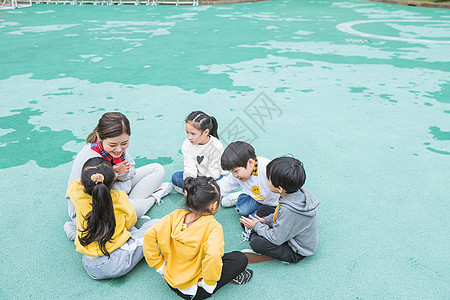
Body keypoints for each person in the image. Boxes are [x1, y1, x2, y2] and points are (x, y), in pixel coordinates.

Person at [64, 112, 172, 240]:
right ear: (99, 136)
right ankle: (154, 198)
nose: (119, 150)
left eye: (125, 143)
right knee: (129, 208)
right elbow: (86, 193)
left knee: (157, 169)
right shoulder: (89, 157)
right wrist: (113, 175)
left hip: (119, 189)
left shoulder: (116, 147)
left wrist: (121, 173)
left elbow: (132, 170)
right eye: (113, 145)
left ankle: (132, 207)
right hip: (97, 205)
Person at [144, 176, 253, 299]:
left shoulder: (175, 215)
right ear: (213, 205)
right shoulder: (213, 227)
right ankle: (217, 281)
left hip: (171, 279)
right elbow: (212, 256)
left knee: (214, 255)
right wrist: (208, 285)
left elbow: (149, 234)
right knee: (240, 258)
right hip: (195, 290)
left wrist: (160, 267)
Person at [67, 157, 159, 279]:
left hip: (88, 260)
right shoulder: (120, 198)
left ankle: (73, 231)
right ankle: (155, 198)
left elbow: (74, 184)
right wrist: (113, 172)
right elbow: (130, 223)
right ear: (114, 179)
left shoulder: (77, 196)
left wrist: (92, 177)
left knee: (91, 224)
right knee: (158, 227)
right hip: (114, 263)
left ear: (84, 182)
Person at [240, 157, 319, 264]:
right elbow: (281, 216)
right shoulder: (295, 191)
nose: (266, 180)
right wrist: (265, 221)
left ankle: (255, 237)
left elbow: (277, 238)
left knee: (256, 243)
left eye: (268, 179)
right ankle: (256, 230)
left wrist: (257, 226)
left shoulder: (289, 210)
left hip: (296, 250)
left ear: (280, 189)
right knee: (263, 210)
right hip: (290, 230)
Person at [218, 141, 278, 217]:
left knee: (262, 217)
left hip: (275, 202)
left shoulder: (267, 168)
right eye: (231, 171)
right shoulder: (238, 173)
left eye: (236, 171)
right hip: (257, 198)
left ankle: (246, 194)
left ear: (250, 163)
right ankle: (243, 195)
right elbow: (225, 185)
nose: (234, 175)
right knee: (242, 210)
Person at [171, 111, 226, 194]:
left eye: (193, 134)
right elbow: (189, 166)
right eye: (187, 132)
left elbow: (214, 173)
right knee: (176, 177)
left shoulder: (216, 146)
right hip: (196, 177)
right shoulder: (187, 144)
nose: (189, 137)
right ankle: (199, 194)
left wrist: (201, 185)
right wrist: (189, 183)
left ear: (206, 132)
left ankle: (195, 193)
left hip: (212, 178)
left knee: (220, 185)